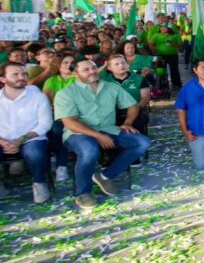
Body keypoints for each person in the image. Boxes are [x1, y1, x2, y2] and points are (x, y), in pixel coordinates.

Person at [54, 59, 151, 211]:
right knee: (90, 151)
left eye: (93, 67)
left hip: (108, 129)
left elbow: (132, 105)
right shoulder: (66, 93)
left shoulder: (111, 87)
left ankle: (105, 176)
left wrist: (128, 122)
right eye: (86, 69)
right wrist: (97, 136)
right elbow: (70, 122)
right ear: (75, 73)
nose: (92, 71)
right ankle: (84, 193)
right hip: (78, 133)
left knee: (142, 143)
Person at [0, 62, 54, 203]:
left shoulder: (37, 96)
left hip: (31, 138)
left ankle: (39, 183)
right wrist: (3, 142)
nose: (21, 77)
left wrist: (21, 139)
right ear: (3, 79)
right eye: (15, 74)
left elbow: (45, 123)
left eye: (24, 74)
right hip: (2, 140)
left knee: (36, 153)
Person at [43, 52, 77, 183]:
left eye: (72, 63)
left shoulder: (80, 78)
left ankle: (61, 163)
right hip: (59, 114)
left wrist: (79, 76)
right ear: (59, 65)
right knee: (58, 130)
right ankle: (61, 165)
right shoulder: (52, 80)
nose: (69, 65)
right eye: (65, 63)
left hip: (80, 114)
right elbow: (48, 99)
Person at [148, 22, 182, 89]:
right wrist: (154, 52)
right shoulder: (156, 35)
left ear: (169, 28)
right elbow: (151, 43)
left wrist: (173, 44)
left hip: (173, 55)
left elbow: (180, 44)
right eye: (161, 27)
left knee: (174, 70)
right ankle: (161, 85)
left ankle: (176, 84)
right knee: (160, 70)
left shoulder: (175, 35)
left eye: (165, 27)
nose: (163, 29)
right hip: (161, 55)